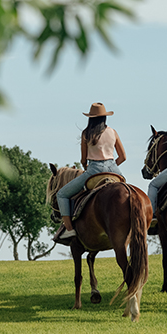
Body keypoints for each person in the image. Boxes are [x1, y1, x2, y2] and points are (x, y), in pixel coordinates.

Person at [55, 102, 127, 240]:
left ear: (91, 118)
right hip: (114, 169)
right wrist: (111, 167)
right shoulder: (113, 132)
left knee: (62, 194)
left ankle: (69, 229)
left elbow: (83, 160)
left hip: (94, 169)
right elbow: (123, 157)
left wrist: (87, 168)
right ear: (105, 117)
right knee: (126, 192)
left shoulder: (86, 133)